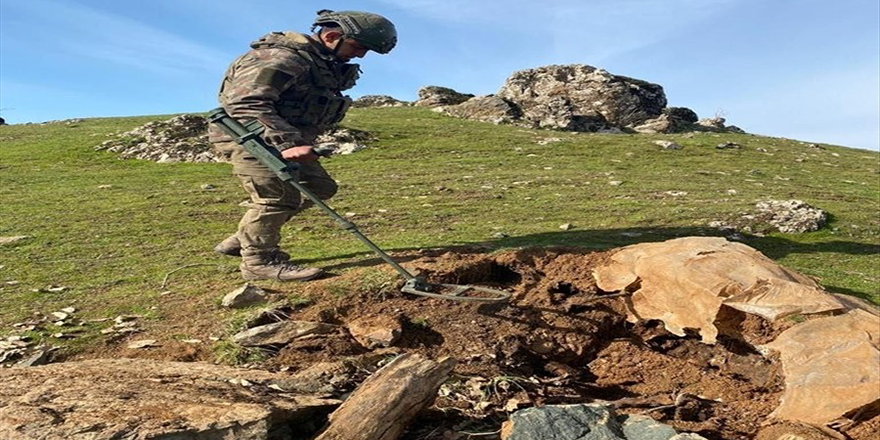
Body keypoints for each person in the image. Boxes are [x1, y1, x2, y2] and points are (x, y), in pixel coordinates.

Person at [208, 10, 397, 281]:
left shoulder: (320, 62)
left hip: (277, 139)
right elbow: (245, 104)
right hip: (250, 137)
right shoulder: (281, 58)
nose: (360, 55)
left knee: (320, 187)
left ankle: (245, 237)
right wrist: (289, 143)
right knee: (276, 198)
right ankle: (259, 261)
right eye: (358, 47)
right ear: (332, 36)